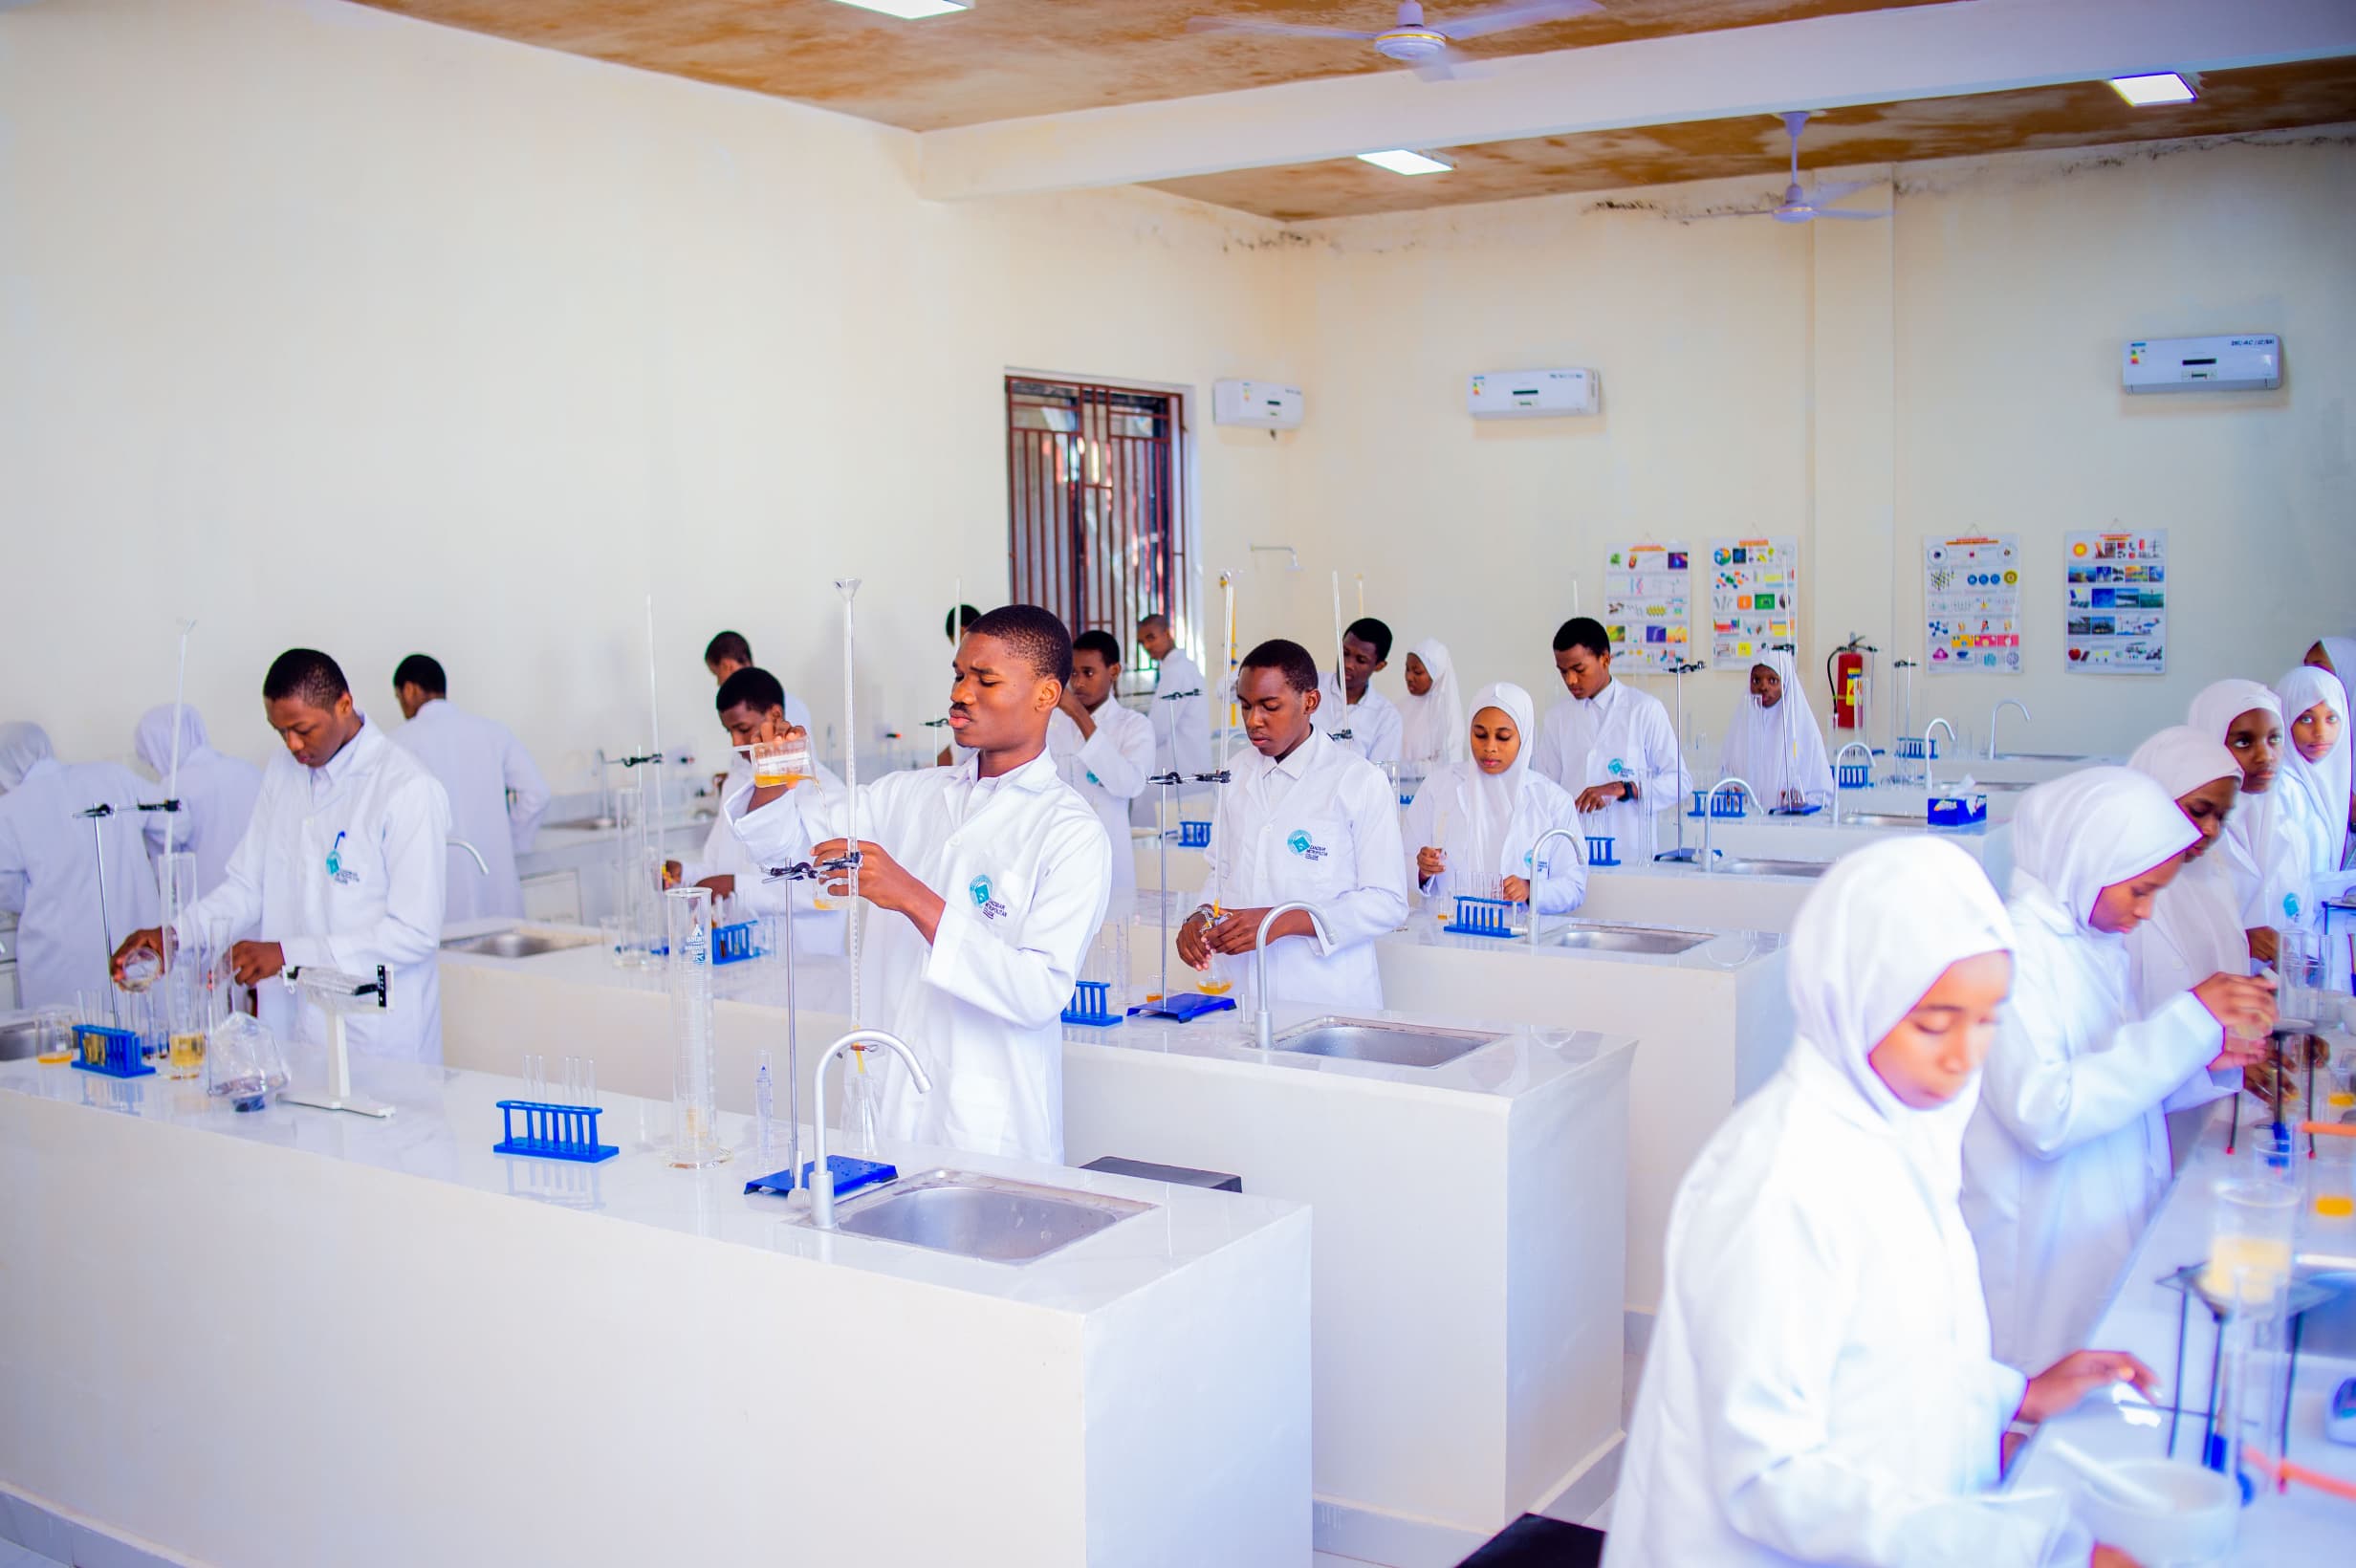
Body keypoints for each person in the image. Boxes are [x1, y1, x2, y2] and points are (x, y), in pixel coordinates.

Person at [1607, 837, 2156, 1568]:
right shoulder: (1780, 1182)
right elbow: (1770, 1477)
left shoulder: (1898, 1129)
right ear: (1854, 995)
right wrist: (2025, 1551)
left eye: (1989, 1019)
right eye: (1933, 1022)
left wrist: (2011, 1396)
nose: (1964, 1057)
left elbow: (1897, 1352)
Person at [726, 606, 1110, 1164]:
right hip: (888, 1099)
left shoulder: (1070, 832)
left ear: (1046, 694)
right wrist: (771, 776)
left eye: (986, 680)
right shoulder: (908, 795)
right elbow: (788, 845)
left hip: (988, 1120)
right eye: (959, 675)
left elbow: (1037, 993)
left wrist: (910, 897)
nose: (962, 693)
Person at [1960, 769, 2275, 1374]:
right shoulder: (2012, 955)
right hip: (2040, 1246)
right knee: (2039, 1400)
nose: (2148, 911)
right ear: (2088, 862)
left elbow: (2112, 1073)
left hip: (2096, 1222)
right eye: (2140, 891)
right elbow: (2045, 1114)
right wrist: (2186, 1022)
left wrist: (2197, 1059)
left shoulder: (2091, 939)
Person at [111, 650, 452, 1061]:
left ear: (344, 705)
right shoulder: (284, 771)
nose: (293, 744)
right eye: (280, 731)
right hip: (295, 1030)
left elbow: (414, 933)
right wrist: (176, 935)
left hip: (378, 1037)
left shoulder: (406, 788)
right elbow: (248, 886)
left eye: (303, 729)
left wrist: (287, 954)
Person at [1176, 640, 1409, 1010]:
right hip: (1244, 992)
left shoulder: (1357, 781)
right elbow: (1221, 870)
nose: (1253, 720)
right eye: (1246, 705)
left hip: (1327, 996)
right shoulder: (1236, 772)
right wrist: (1201, 915)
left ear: (1310, 702)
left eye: (1270, 707)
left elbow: (1388, 903)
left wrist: (1278, 922)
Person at [2125, 728, 2257, 1165]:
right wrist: (2213, 1059)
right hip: (2144, 1115)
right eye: (2199, 811)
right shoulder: (2122, 892)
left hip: (2212, 1105)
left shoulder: (2209, 871)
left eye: (2223, 816)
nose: (2210, 830)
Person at [668, 667, 845, 926]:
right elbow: (717, 868)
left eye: (742, 728)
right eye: (729, 731)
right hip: (745, 954)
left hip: (808, 957)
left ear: (775, 715)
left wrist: (737, 887)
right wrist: (684, 873)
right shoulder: (737, 785)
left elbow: (832, 889)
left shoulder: (822, 790)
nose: (735, 742)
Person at [0, 724, 160, 1009]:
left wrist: (42, 899)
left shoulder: (10, 809)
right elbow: (175, 823)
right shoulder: (113, 775)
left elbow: (6, 889)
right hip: (133, 953)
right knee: (142, 1037)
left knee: (72, 1043)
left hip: (60, 967)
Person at [1401, 682, 1586, 917]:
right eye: (1480, 735)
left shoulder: (1552, 800)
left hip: (1518, 938)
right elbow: (1402, 861)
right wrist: (1422, 870)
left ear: (1524, 737)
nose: (1489, 747)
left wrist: (1532, 889)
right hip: (1447, 935)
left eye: (1503, 737)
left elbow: (1575, 886)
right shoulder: (1437, 787)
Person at [389, 654, 550, 924]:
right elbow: (537, 794)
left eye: (399, 698)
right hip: (497, 890)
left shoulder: (396, 744)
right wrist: (510, 842)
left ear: (409, 690)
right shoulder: (493, 732)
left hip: (440, 900)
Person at [1533, 617, 1688, 861]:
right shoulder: (1557, 717)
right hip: (1572, 854)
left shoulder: (1644, 709)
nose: (1571, 680)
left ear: (1605, 659)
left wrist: (1625, 788)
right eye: (1563, 672)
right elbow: (1543, 789)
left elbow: (1680, 782)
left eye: (1579, 670)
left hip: (1630, 852)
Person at [1046, 630, 1154, 922]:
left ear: (1114, 671)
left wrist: (1079, 715)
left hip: (1108, 850)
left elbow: (1129, 784)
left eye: (1088, 672)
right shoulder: (1052, 723)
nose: (1077, 683)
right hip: (1057, 849)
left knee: (1109, 942)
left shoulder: (1134, 726)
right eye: (1072, 673)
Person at [2186, 679, 2289, 954]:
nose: (2265, 755)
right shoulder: (2186, 832)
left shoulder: (2289, 825)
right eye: (2244, 742)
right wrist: (2240, 940)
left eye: (2274, 739)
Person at [132, 704, 262, 901]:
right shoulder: (248, 770)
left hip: (207, 908)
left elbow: (165, 871)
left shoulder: (171, 789)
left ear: (159, 749)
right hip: (259, 903)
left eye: (151, 761)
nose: (154, 767)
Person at [1716, 649, 1834, 810]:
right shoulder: (1740, 728)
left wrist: (1802, 800)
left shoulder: (1803, 730)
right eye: (1756, 680)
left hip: (1790, 829)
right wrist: (1729, 791)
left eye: (1772, 680)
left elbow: (1824, 793)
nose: (1763, 687)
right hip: (1746, 827)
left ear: (1785, 683)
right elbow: (1724, 776)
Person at [2272, 663, 2349, 892]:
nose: (2320, 732)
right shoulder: (2280, 786)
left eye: (2331, 718)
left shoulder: (2328, 781)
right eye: (2306, 719)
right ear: (2284, 720)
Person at [1137, 613, 1212, 810]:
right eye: (1141, 642)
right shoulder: (1183, 667)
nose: (1146, 646)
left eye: (1151, 637)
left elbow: (1158, 730)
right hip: (1191, 764)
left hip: (1181, 766)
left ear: (1167, 634)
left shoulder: (1176, 671)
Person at [1315, 617, 1402, 765]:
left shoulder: (1386, 717)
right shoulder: (1310, 686)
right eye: (1345, 653)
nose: (1348, 664)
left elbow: (1379, 780)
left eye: (1361, 660)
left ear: (1379, 665)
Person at [1396, 639, 1467, 767]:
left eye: (1417, 672)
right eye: (1407, 669)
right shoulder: (1399, 708)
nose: (1409, 677)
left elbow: (1448, 765)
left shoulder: (1447, 713)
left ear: (1437, 674)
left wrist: (1408, 767)